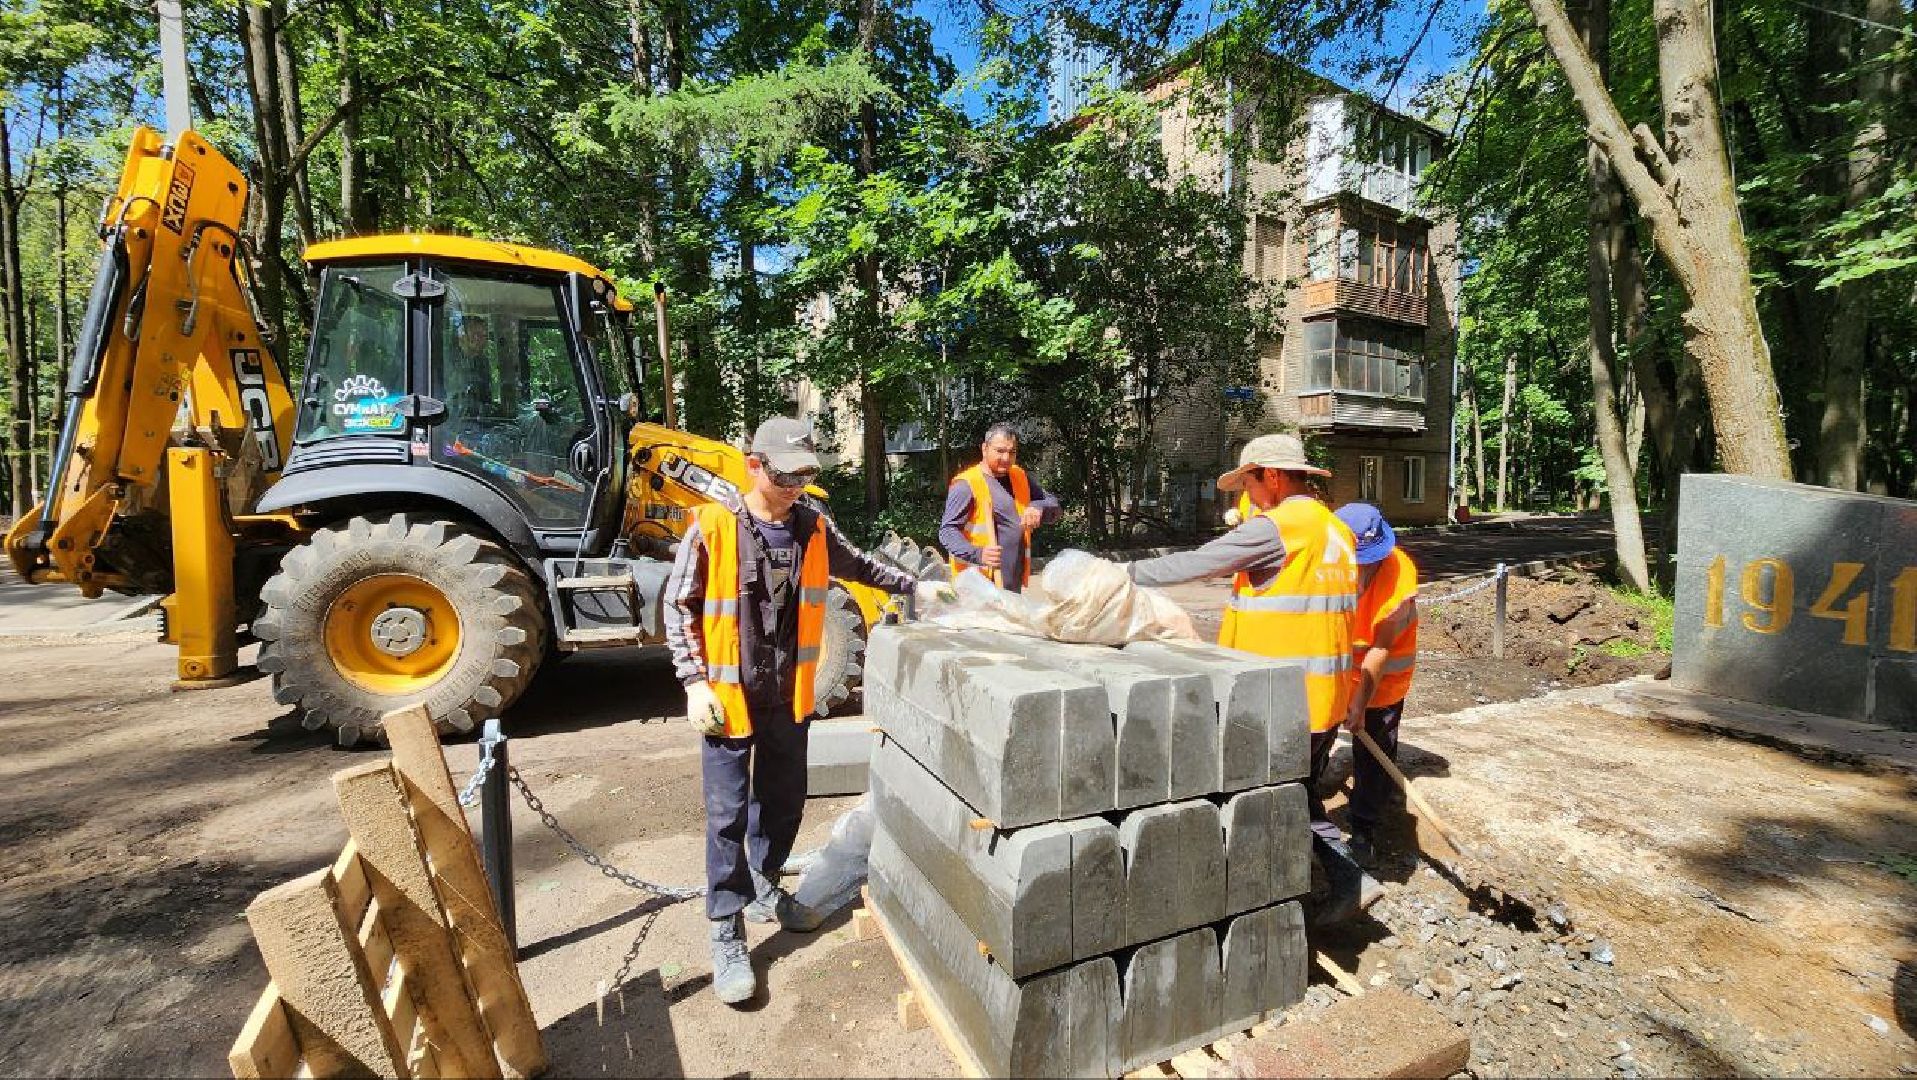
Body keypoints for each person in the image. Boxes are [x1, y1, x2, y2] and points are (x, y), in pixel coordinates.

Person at [665, 416, 952, 1006]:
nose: (794, 485)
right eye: (784, 474)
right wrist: (694, 682)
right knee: (726, 816)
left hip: (787, 697)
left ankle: (767, 887)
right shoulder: (712, 526)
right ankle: (727, 928)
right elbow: (678, 605)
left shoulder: (814, 527)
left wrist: (915, 588)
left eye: (804, 475)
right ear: (754, 466)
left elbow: (862, 568)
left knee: (784, 798)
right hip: (727, 699)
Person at [1121, 433, 1381, 924]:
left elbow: (1196, 564)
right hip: (1324, 698)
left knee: (1276, 798)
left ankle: (1333, 884)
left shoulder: (1279, 529)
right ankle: (1334, 884)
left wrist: (1119, 573)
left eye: (1250, 482)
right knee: (1300, 792)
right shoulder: (1336, 531)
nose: (1248, 495)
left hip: (1280, 699)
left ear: (1273, 477)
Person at [1334, 503, 1419, 868]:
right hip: (1334, 676)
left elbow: (1380, 648)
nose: (1363, 567)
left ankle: (1365, 828)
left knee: (1374, 753)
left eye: (1370, 559)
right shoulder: (1326, 565)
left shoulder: (1398, 576)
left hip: (1382, 683)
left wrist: (1359, 704)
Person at [940, 423, 1061, 592]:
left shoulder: (1019, 476)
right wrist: (979, 554)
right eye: (1000, 451)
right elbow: (947, 531)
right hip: (977, 590)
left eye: (1012, 452)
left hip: (1011, 588)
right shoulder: (967, 484)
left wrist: (1038, 507)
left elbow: (1052, 504)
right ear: (984, 448)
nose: (1006, 458)